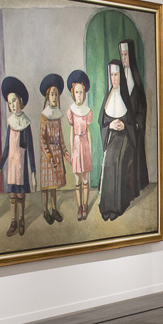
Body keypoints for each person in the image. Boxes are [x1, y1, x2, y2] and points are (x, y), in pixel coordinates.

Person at [0, 77, 36, 236]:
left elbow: (30, 149)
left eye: (14, 101)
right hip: (11, 165)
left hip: (21, 165)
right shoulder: (10, 122)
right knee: (12, 194)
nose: (11, 105)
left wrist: (33, 172)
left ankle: (22, 219)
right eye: (9, 102)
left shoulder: (25, 123)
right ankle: (13, 220)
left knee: (20, 194)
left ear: (21, 101)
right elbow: (6, 148)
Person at [98, 60, 138, 221]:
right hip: (111, 136)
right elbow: (101, 122)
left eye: (116, 75)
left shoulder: (125, 97)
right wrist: (110, 126)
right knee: (108, 161)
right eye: (112, 75)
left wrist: (124, 125)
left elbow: (132, 123)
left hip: (124, 137)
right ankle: (106, 207)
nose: (114, 79)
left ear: (121, 76)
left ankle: (117, 207)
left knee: (118, 161)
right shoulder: (108, 97)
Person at [38, 73, 70, 224]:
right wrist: (49, 155)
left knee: (54, 185)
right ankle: (45, 210)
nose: (54, 97)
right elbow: (42, 139)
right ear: (47, 96)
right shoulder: (44, 116)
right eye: (52, 94)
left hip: (57, 153)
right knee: (46, 185)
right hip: (48, 156)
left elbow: (61, 137)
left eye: (56, 94)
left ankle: (54, 209)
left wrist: (65, 151)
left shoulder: (58, 115)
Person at [118, 39, 149, 190]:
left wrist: (138, 122)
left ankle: (137, 185)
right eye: (122, 54)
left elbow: (142, 105)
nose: (124, 58)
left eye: (126, 54)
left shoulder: (135, 77)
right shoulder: (119, 77)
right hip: (123, 125)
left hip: (134, 126)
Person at [66, 69, 93, 221]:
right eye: (76, 93)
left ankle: (85, 205)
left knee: (85, 179)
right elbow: (71, 132)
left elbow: (88, 132)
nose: (79, 95)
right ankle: (79, 206)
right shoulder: (71, 111)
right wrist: (72, 151)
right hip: (76, 147)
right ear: (73, 93)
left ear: (84, 93)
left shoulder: (87, 111)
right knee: (77, 180)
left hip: (85, 146)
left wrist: (91, 151)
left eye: (81, 92)